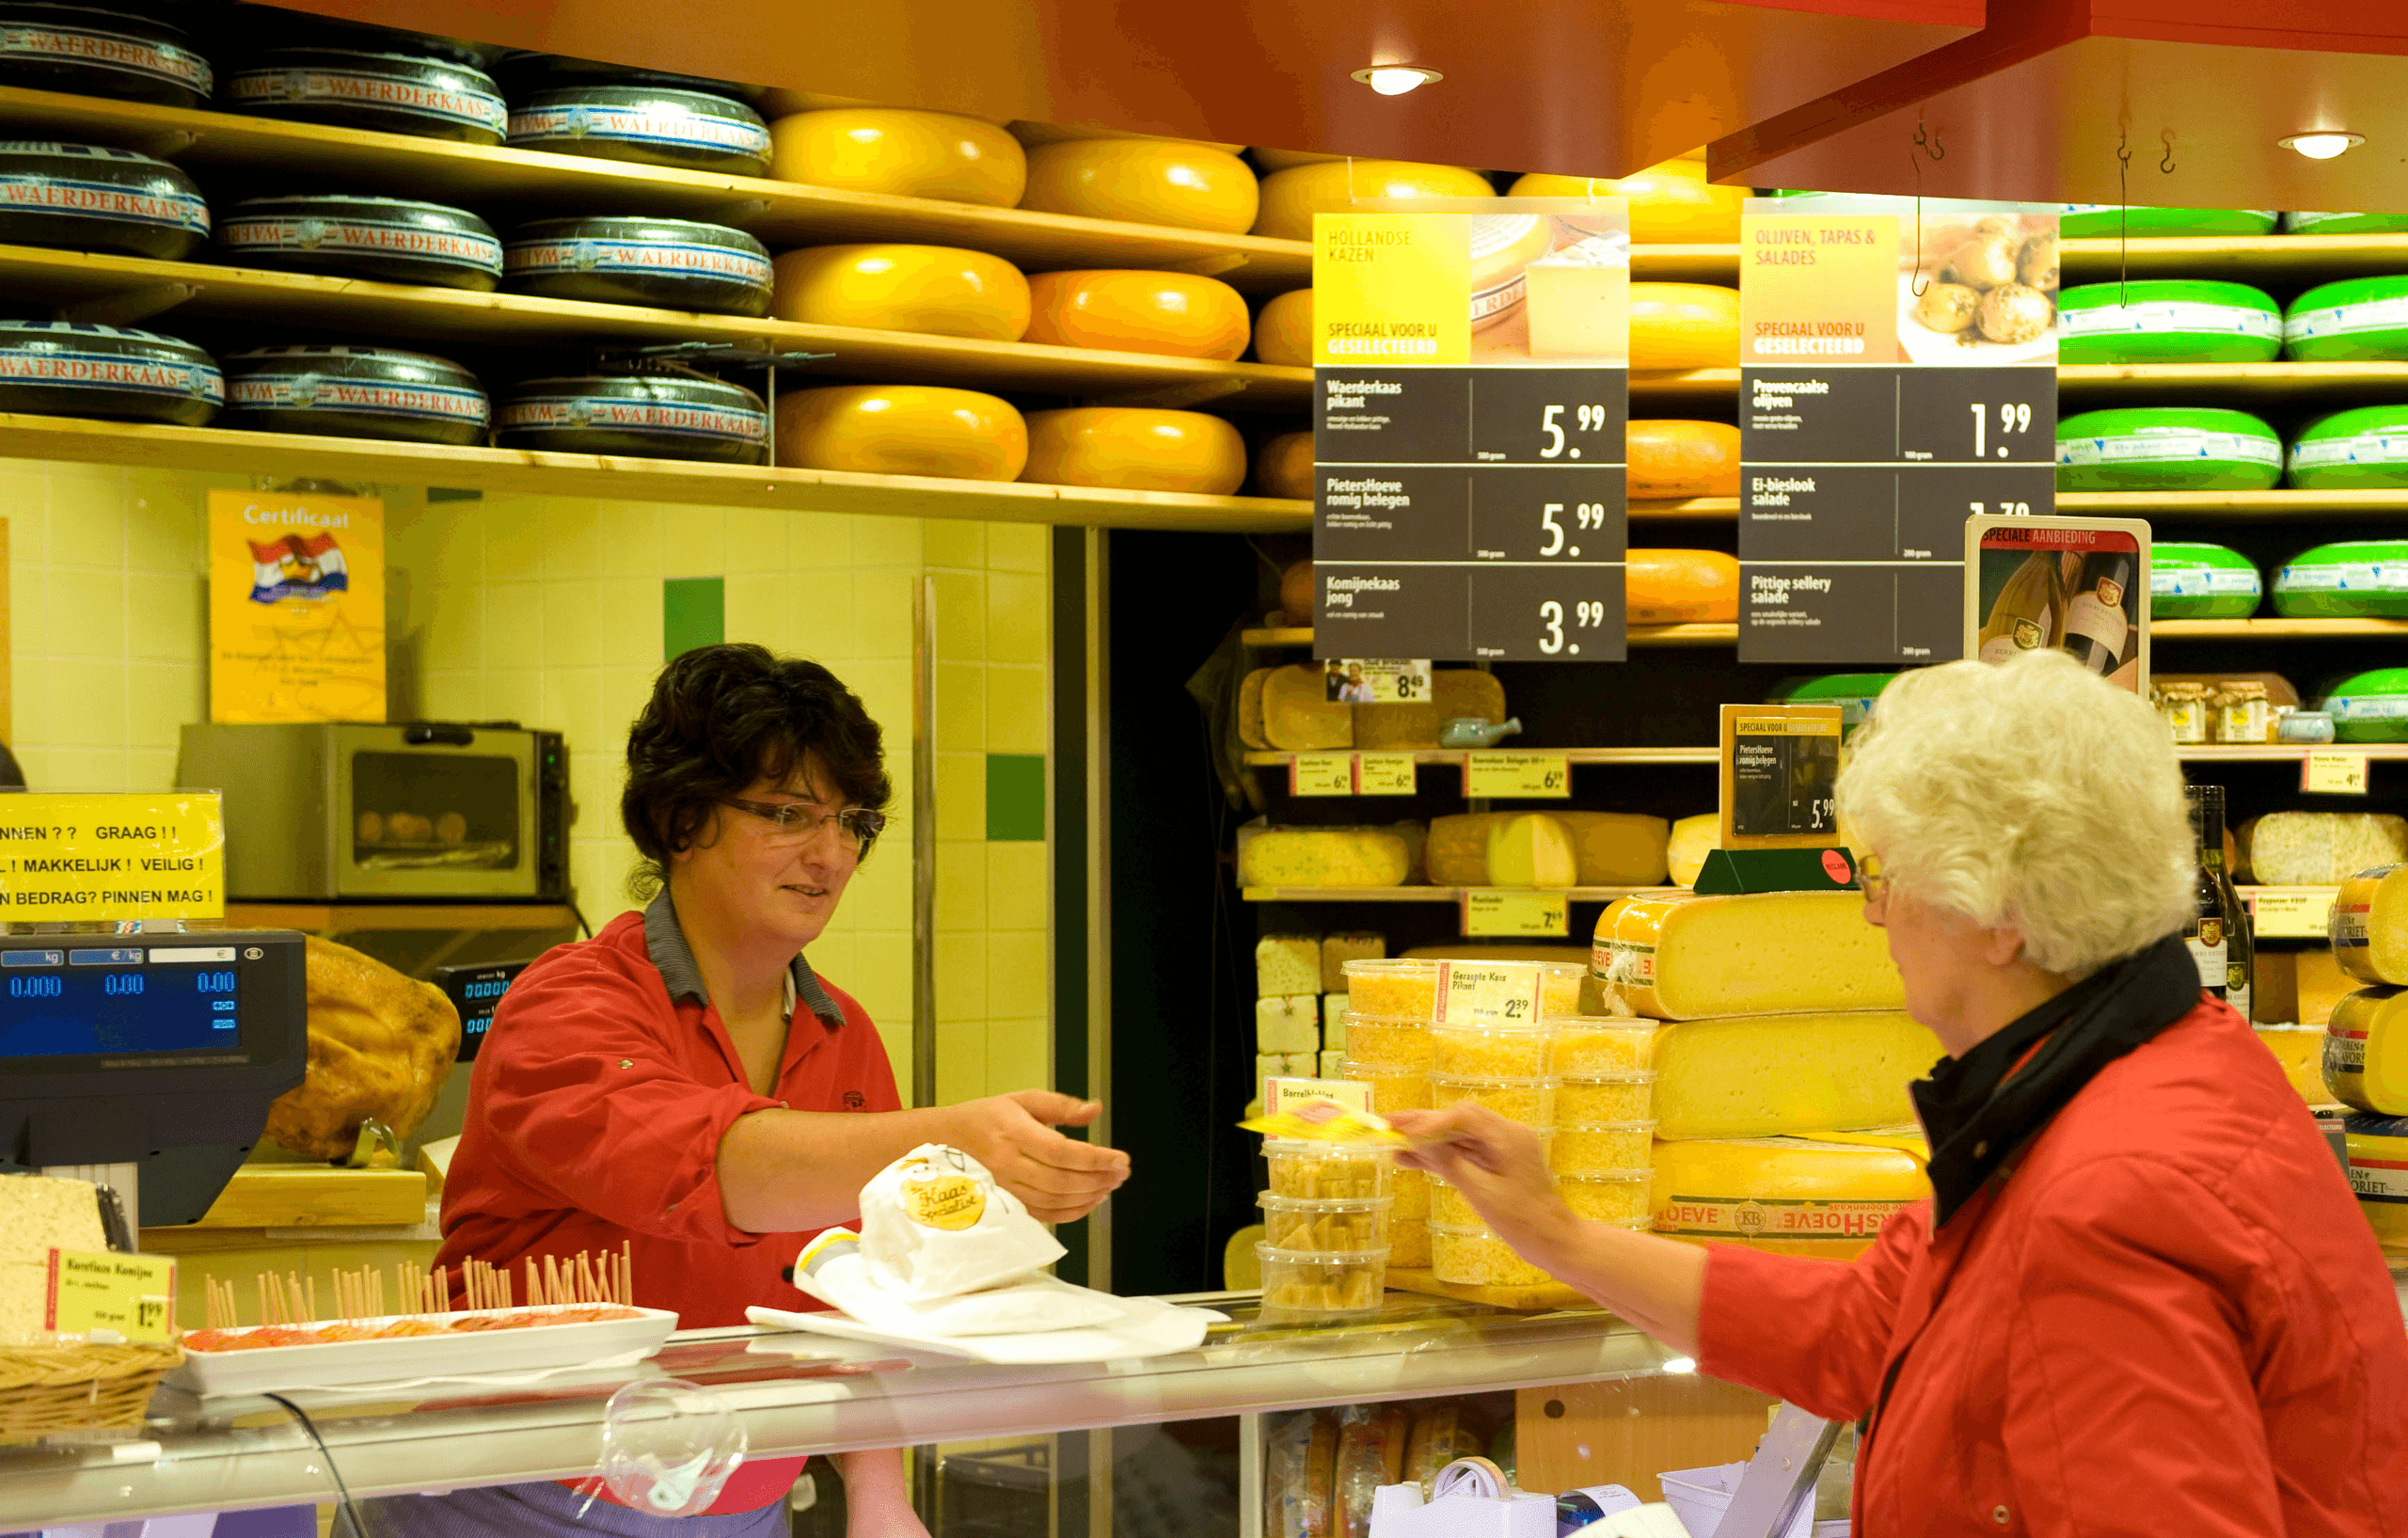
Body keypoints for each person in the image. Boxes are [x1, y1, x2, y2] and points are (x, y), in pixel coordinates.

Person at [1396, 649, 2408, 1536]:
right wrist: (1557, 1236)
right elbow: (1862, 1330)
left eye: (1884, 876)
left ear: (1998, 915)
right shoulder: (2130, 1070)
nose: (1873, 914)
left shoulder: (2107, 1200)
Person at [380, 644, 1130, 1538]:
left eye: (852, 822)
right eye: (787, 814)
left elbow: (867, 1287)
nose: (830, 854)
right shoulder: (568, 1002)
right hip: (515, 1501)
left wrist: (879, 1493)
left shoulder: (843, 1033)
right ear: (681, 818)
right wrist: (944, 1144)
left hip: (747, 1506)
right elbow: (699, 1164)